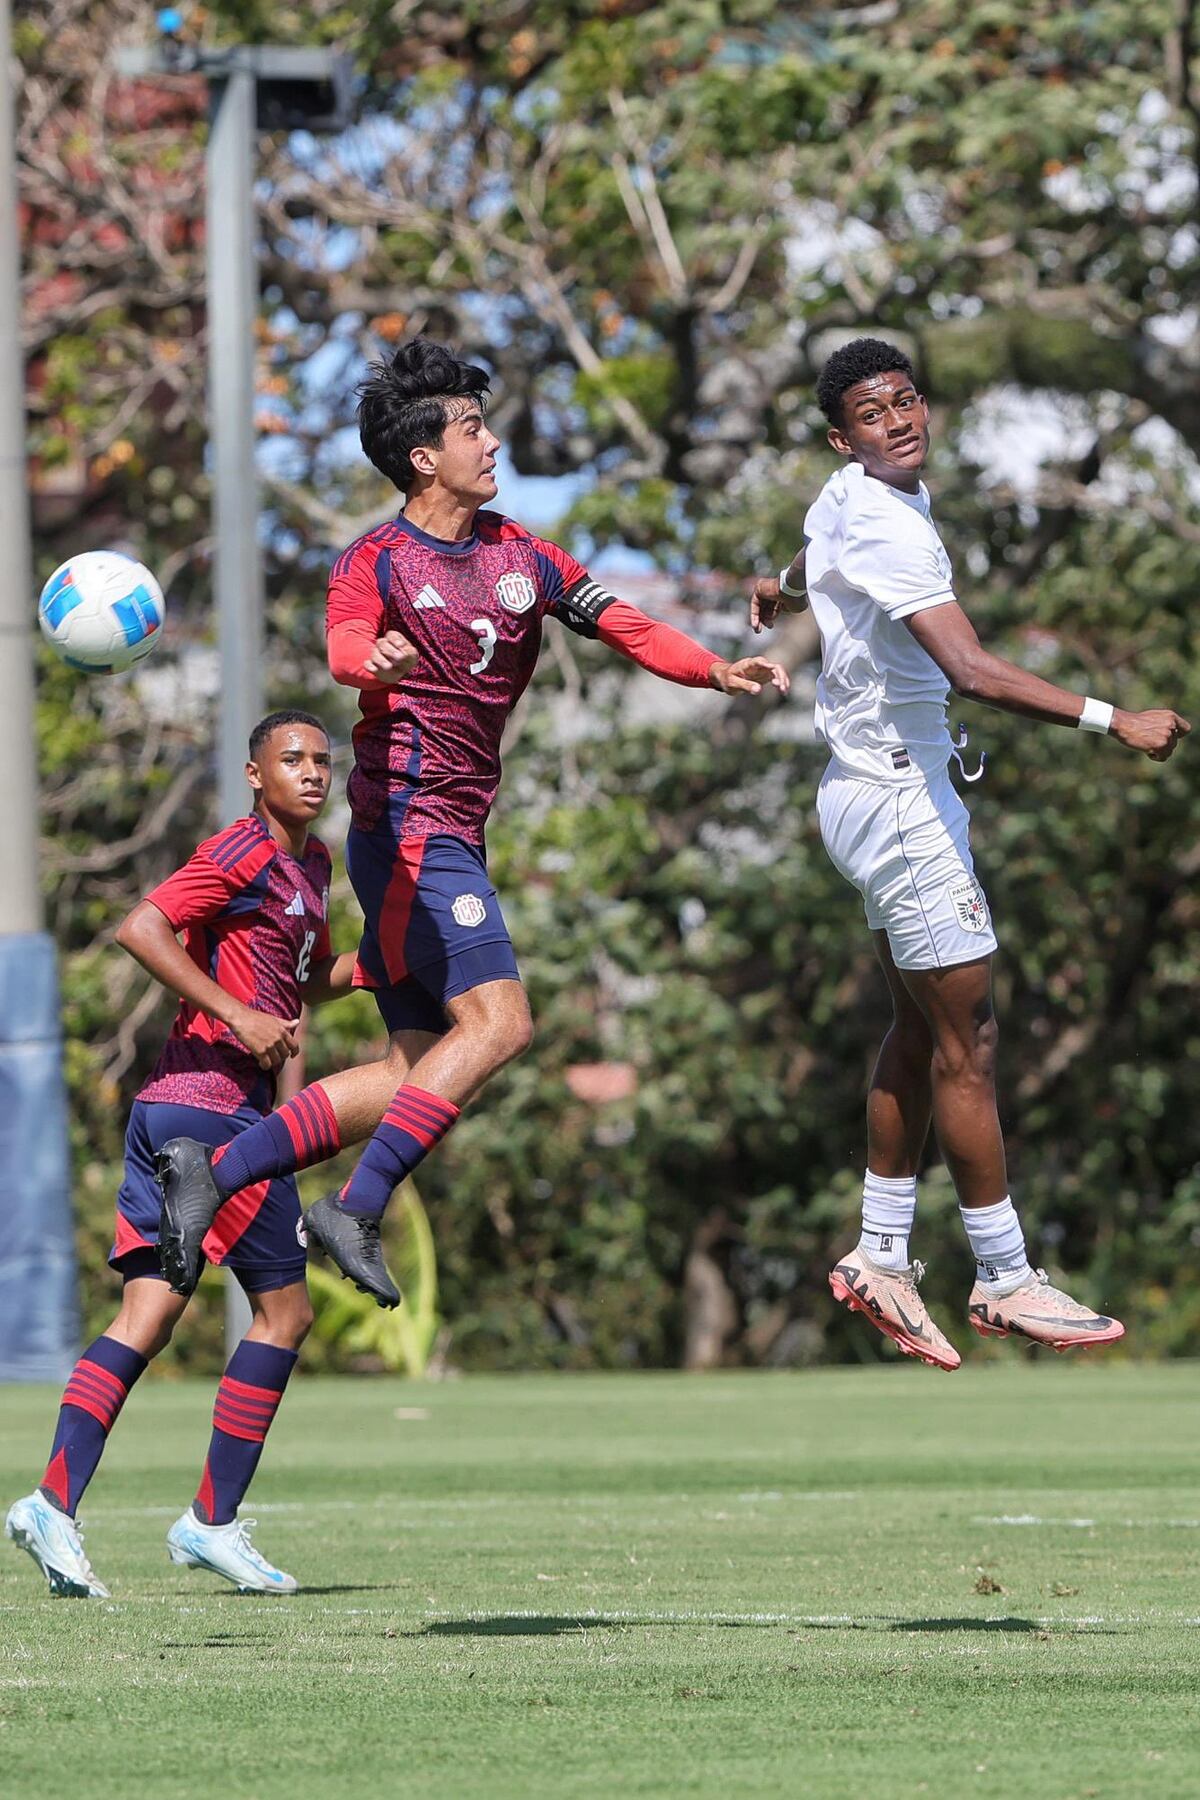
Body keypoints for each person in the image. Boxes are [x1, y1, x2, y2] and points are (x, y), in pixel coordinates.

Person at [156, 335, 790, 1309]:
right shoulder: (374, 560)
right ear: (424, 456)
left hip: (449, 832)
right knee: (502, 1024)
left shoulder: (522, 554)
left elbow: (625, 624)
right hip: (410, 828)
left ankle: (218, 1171)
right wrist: (372, 664)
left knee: (413, 1067)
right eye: (471, 429)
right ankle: (353, 1209)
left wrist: (714, 668)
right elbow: (344, 646)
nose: (491, 443)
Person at [748, 337, 1189, 1369]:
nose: (897, 421)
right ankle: (1004, 1275)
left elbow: (815, 555)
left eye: (905, 401)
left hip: (868, 793)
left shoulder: (852, 498)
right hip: (902, 802)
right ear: (842, 439)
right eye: (871, 414)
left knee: (919, 1027)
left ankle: (881, 1255)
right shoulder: (888, 523)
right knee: (970, 1040)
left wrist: (779, 587)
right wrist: (1114, 718)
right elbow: (972, 671)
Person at [5, 711, 354, 1597]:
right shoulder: (239, 850)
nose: (313, 772)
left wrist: (389, 964)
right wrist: (235, 1015)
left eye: (323, 760)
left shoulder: (314, 866)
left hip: (178, 1113)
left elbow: (304, 985)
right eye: (292, 759)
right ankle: (211, 1521)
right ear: (254, 773)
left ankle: (50, 1504)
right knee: (284, 1316)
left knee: (147, 1318)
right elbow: (142, 927)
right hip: (210, 1115)